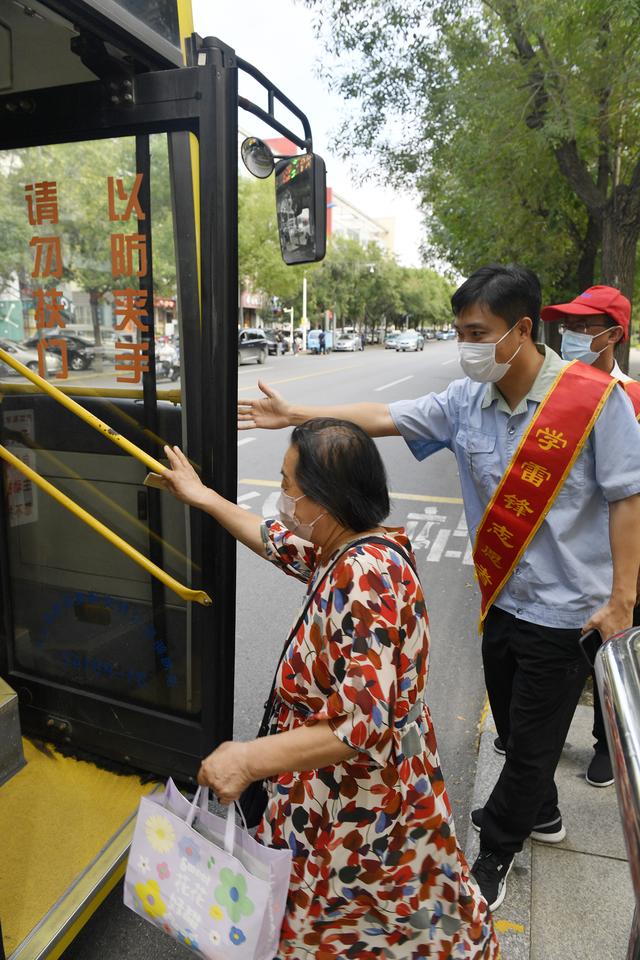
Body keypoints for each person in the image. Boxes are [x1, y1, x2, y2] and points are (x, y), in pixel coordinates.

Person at [238, 263, 640, 912]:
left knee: (531, 746)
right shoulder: (465, 404)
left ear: (521, 330)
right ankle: (542, 812)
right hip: (500, 604)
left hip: (567, 616)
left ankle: (494, 854)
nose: (467, 346)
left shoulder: (595, 401)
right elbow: (383, 414)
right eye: (460, 332)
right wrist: (295, 411)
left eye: (477, 332)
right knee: (515, 735)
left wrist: (622, 601)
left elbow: (628, 498)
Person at [160, 421, 498, 960]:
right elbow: (271, 539)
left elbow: (359, 723)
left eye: (289, 484)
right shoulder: (341, 548)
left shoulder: (366, 575)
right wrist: (202, 497)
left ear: (327, 497)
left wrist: (248, 759)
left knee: (371, 912)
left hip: (361, 800)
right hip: (340, 791)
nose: (282, 497)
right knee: (352, 916)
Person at [541, 285, 640, 788]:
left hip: (620, 558)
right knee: (561, 658)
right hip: (568, 556)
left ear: (613, 336)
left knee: (610, 655)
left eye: (583, 328)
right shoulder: (552, 393)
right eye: (568, 327)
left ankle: (609, 743)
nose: (572, 336)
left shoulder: (633, 399)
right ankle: (542, 744)